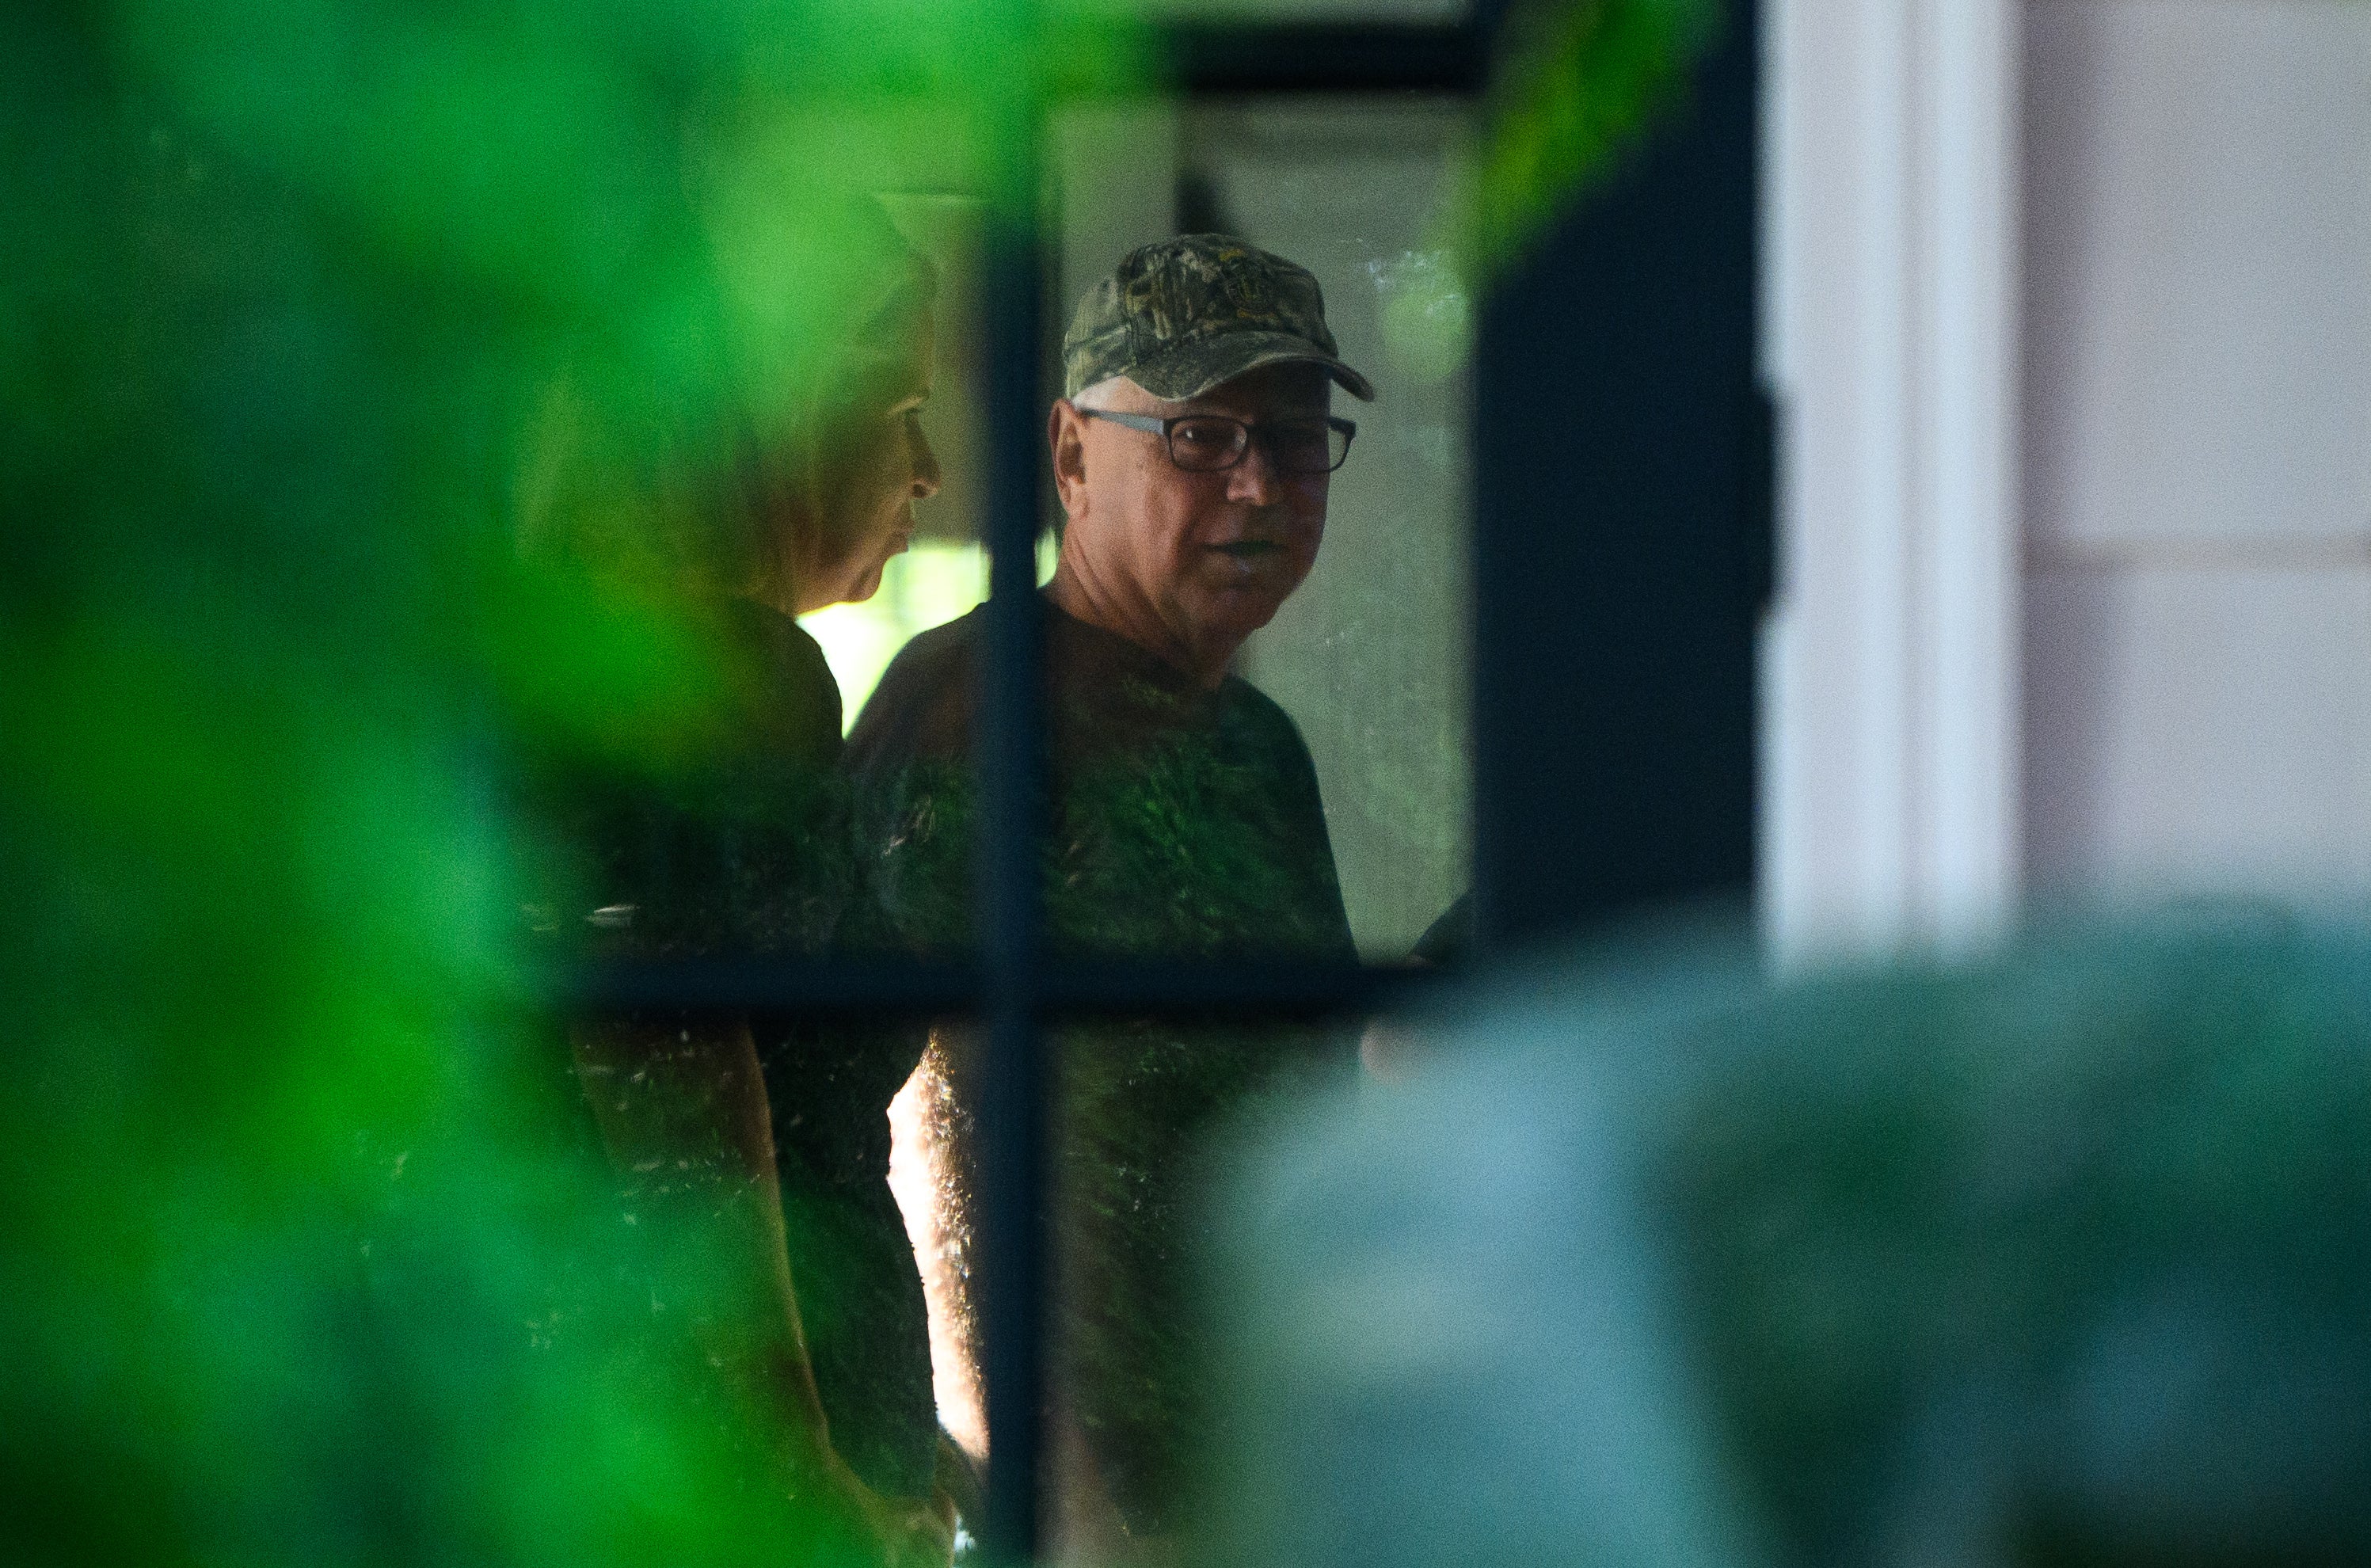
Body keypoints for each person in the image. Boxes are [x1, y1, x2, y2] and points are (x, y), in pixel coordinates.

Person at [844, 234, 1372, 1558]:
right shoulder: (984, 712)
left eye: (1295, 439)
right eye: (1198, 436)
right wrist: (1048, 1500)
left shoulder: (1254, 747)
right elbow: (932, 1118)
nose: (1257, 483)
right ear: (1073, 459)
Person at [518, 195, 954, 1568]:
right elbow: (692, 1114)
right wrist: (800, 1488)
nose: (931, 469)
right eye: (896, 410)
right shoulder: (730, 683)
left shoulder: (585, 671)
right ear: (767, 417)